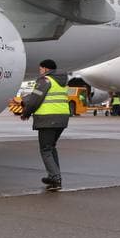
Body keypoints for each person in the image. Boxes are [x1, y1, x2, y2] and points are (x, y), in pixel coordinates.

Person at [19, 58, 71, 191]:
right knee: (51, 147)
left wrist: (26, 113)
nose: (40, 71)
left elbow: (36, 99)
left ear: (46, 69)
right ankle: (53, 175)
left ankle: (56, 178)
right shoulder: (61, 82)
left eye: (41, 68)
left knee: (45, 149)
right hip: (62, 118)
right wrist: (23, 101)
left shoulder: (45, 80)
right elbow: (41, 96)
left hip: (47, 119)